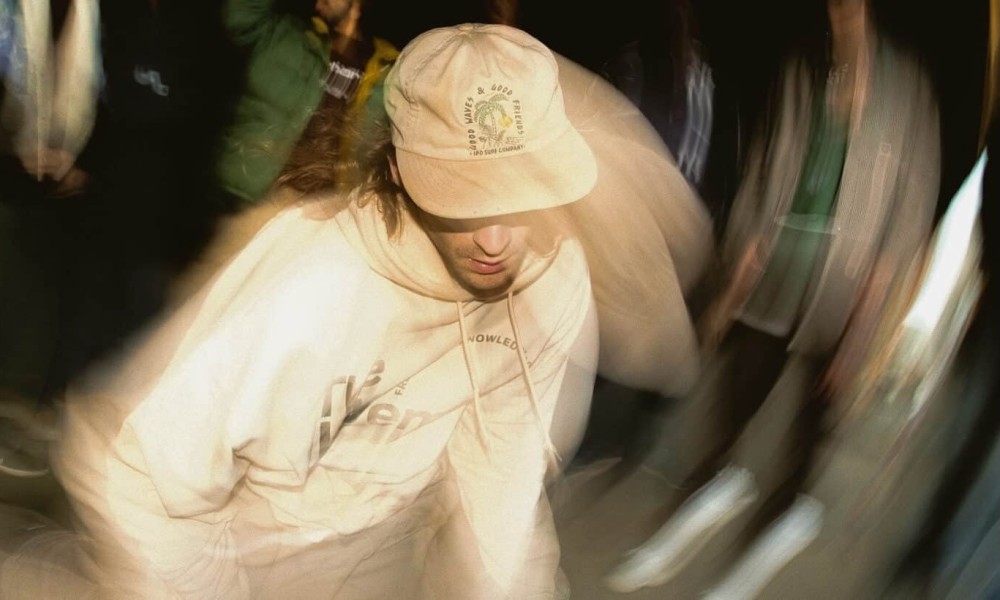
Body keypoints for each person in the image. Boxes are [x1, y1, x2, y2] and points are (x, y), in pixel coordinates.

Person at [42, 23, 600, 599]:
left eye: (520, 194)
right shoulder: (314, 280)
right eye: (464, 197)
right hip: (255, 548)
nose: (495, 240)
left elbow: (502, 473)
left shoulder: (551, 279)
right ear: (398, 170)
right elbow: (137, 467)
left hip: (389, 539)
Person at [605, 0, 941, 595]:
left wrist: (873, 313)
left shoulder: (907, 87)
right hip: (780, 267)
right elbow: (767, 165)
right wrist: (742, 257)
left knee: (817, 412)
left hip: (845, 282)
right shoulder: (803, 70)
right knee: (740, 388)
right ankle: (717, 484)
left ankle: (786, 515)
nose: (840, 15)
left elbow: (911, 206)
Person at [213, 0, 397, 209]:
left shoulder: (387, 71)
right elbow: (242, 13)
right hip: (250, 195)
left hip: (322, 213)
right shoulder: (285, 36)